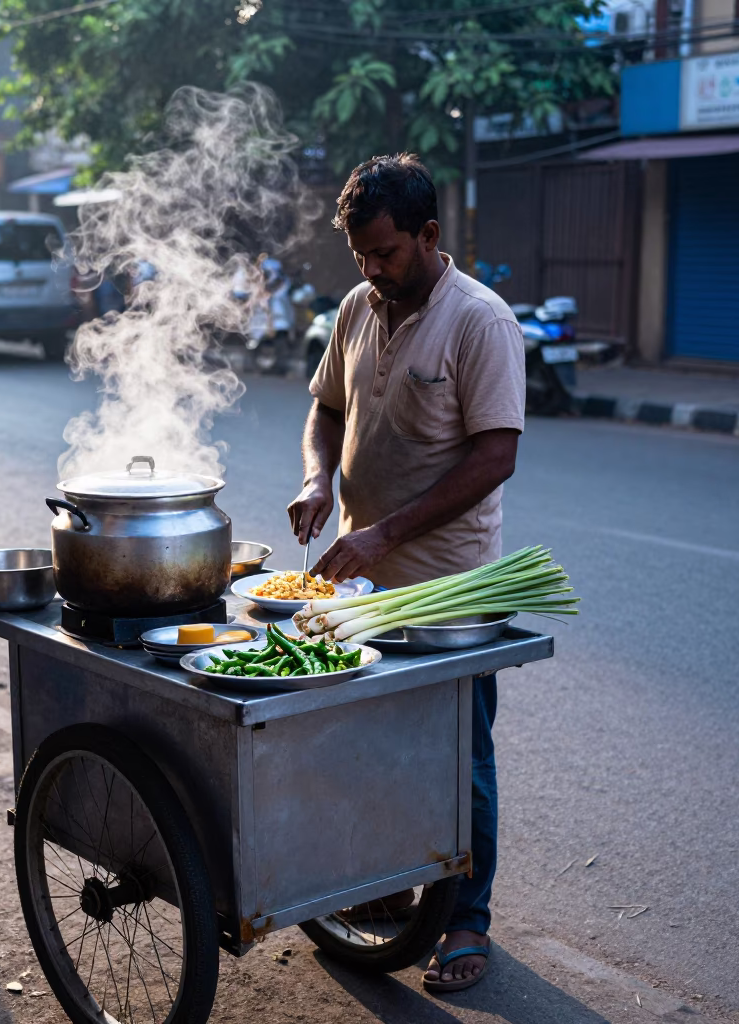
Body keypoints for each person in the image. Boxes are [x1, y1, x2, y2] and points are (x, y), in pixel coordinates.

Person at [286, 153, 525, 995]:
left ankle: (466, 915)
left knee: (458, 757)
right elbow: (325, 408)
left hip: (449, 589)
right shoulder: (357, 307)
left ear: (428, 235)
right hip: (363, 580)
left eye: (385, 253)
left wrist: (387, 531)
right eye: (361, 257)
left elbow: (496, 454)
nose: (373, 271)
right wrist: (320, 477)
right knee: (372, 738)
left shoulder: (480, 322)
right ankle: (391, 880)